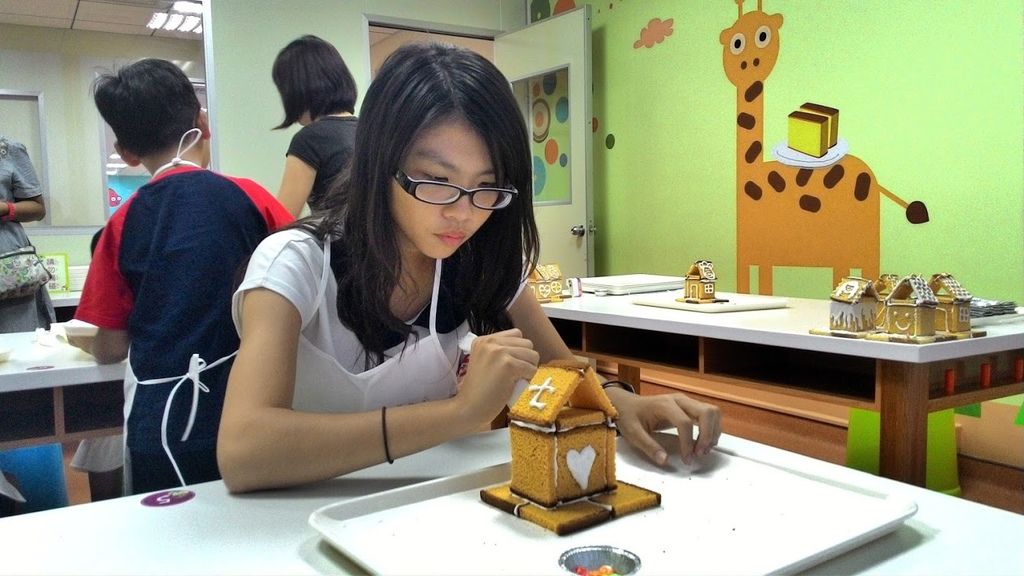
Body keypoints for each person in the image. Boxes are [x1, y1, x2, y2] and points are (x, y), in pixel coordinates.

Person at [218, 42, 721, 494]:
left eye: (486, 186)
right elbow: (244, 452)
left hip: (424, 508)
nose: (463, 213)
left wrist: (622, 401)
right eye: (437, 180)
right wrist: (460, 414)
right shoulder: (294, 264)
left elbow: (560, 367)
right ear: (379, 163)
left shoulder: (479, 257)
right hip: (295, 523)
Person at [70, 58, 294, 495]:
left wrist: (87, 344)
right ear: (203, 123)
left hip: (161, 427)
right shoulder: (252, 198)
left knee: (169, 531)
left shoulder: (123, 223)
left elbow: (110, 348)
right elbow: (307, 279)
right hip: (255, 413)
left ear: (126, 151)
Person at [272, 34, 359, 217]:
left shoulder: (309, 139)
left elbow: (283, 217)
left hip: (337, 236)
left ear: (297, 90)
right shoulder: (367, 130)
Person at [0, 135, 55, 332]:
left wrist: (5, 208)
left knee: (17, 340)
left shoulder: (8, 150)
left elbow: (37, 209)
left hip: (7, 267)